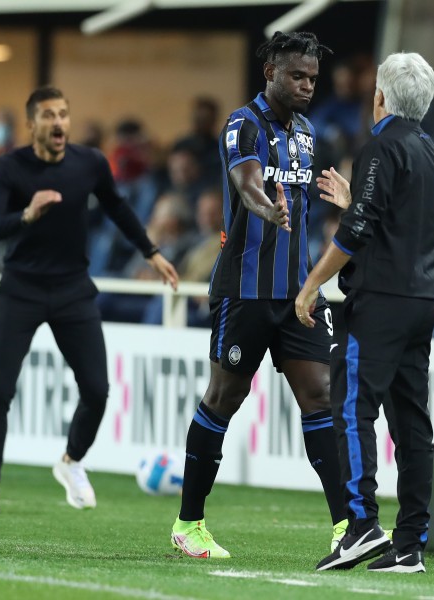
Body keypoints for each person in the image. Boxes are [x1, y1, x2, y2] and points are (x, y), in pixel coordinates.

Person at [169, 31, 349, 560]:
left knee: (319, 395)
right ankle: (189, 524)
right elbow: (247, 181)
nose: (306, 86)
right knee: (225, 398)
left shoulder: (308, 133)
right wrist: (265, 207)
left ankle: (346, 528)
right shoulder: (241, 124)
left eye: (313, 79)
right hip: (244, 291)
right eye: (297, 75)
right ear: (269, 70)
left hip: (297, 292)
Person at [0, 86, 179, 514]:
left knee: (97, 390)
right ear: (32, 125)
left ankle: (71, 462)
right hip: (20, 290)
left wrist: (151, 253)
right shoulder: (8, 168)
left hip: (72, 290)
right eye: (48, 115)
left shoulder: (90, 163)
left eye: (63, 114)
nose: (59, 122)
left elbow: (118, 208)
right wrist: (27, 213)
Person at [295, 52, 434, 574]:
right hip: (421, 300)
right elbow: (396, 221)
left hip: (378, 300)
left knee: (352, 410)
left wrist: (313, 283)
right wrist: (353, 196)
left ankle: (361, 527)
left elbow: (358, 234)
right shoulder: (430, 151)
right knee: (411, 423)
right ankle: (412, 544)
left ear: (379, 96)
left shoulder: (381, 145)